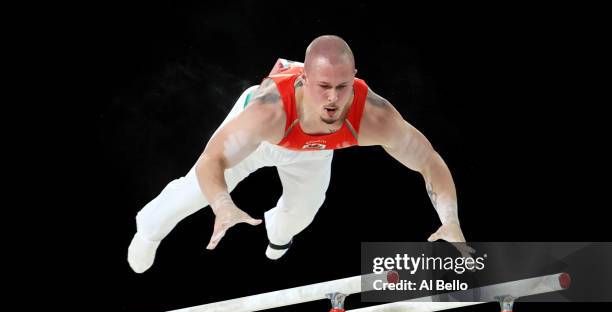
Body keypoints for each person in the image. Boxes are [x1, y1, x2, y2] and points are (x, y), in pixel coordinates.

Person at [127, 35, 469, 273]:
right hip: (260, 143)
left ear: (355, 78)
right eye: (323, 87)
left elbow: (428, 161)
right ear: (304, 79)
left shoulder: (374, 117)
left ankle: (278, 232)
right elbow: (210, 160)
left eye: (342, 87)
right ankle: (148, 230)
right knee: (191, 195)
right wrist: (222, 204)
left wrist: (450, 219)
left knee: (302, 214)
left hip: (313, 152)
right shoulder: (267, 112)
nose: (333, 99)